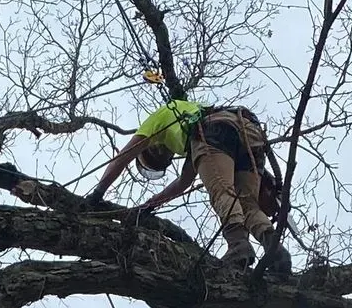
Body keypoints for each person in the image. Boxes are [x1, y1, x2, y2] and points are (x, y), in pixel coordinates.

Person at [90, 95, 293, 277]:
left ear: (150, 148)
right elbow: (183, 182)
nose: (163, 157)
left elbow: (124, 156)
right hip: (249, 130)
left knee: (221, 189)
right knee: (248, 204)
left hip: (216, 129)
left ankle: (238, 245)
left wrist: (98, 192)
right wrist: (149, 206)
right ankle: (274, 249)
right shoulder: (191, 119)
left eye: (155, 157)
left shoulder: (159, 121)